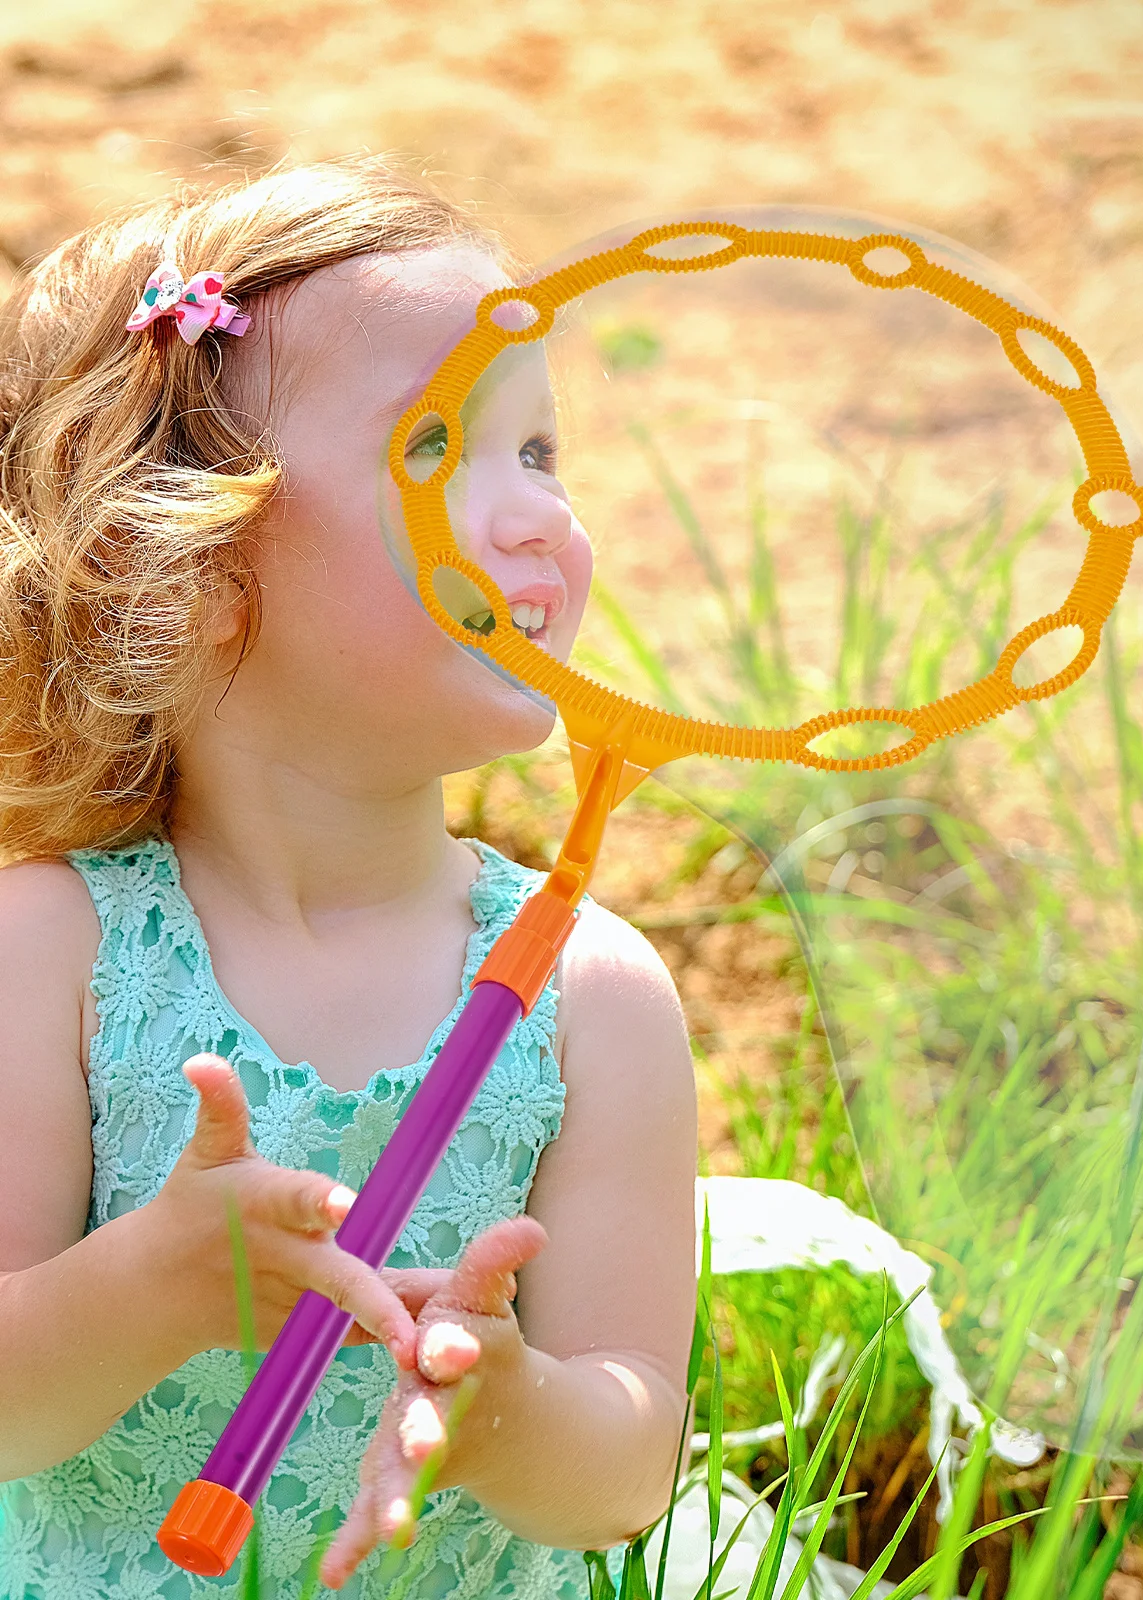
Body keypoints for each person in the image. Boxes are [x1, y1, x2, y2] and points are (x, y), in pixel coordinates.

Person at [0, 156, 699, 1598]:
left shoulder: (597, 996)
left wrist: (507, 1409)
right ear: (186, 565)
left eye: (541, 453)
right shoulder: (47, 953)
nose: (535, 521)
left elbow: (629, 1471)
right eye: (441, 453)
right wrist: (151, 1291)